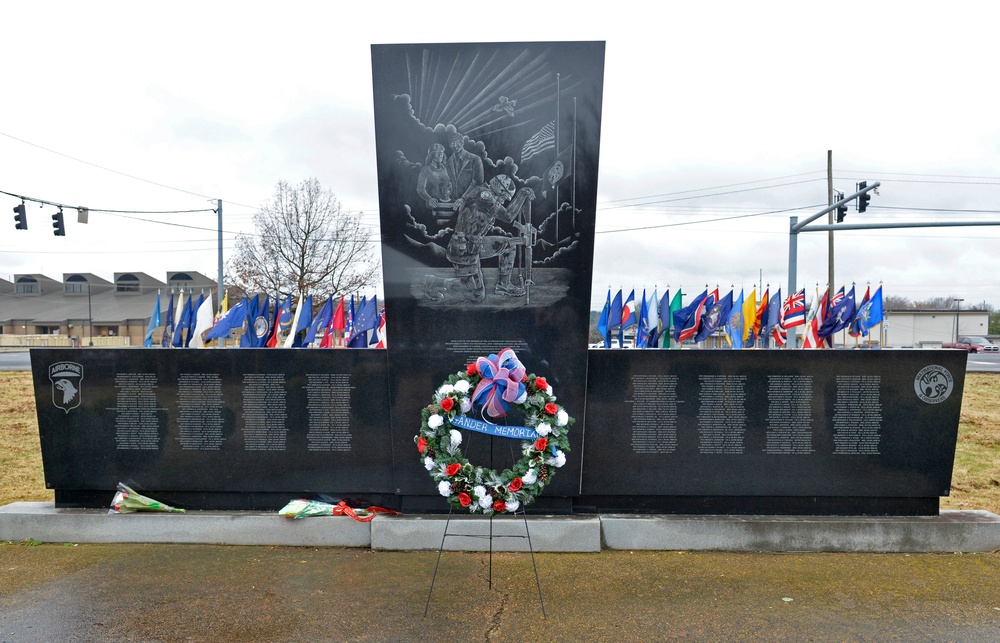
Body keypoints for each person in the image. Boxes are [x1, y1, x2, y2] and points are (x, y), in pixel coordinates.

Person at [423, 175, 535, 302]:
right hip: (463, 248)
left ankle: (503, 285)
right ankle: (434, 281)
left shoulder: (483, 192)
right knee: (477, 296)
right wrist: (521, 195)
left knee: (510, 244)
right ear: (499, 189)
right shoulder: (483, 195)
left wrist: (526, 221)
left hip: (474, 244)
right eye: (504, 197)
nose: (503, 201)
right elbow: (508, 216)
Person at [444, 132, 484, 200]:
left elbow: (478, 182)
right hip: (454, 202)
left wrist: (463, 198)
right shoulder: (448, 162)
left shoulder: (475, 159)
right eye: (452, 143)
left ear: (462, 142)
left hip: (471, 202)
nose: (455, 146)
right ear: (449, 145)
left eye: (458, 142)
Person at [415, 143, 451, 209]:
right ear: (431, 155)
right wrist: (429, 199)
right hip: (432, 207)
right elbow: (420, 189)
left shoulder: (445, 168)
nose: (440, 155)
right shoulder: (426, 170)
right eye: (438, 153)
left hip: (446, 204)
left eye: (442, 153)